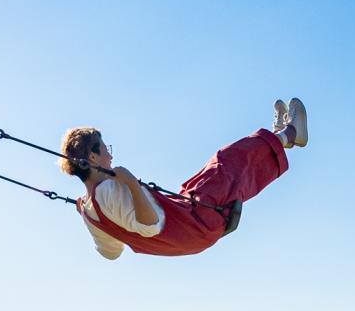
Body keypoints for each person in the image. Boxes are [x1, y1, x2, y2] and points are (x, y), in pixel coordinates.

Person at [62, 98, 308, 259]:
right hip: (195, 223)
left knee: (202, 182)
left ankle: (278, 137)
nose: (110, 156)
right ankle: (291, 133)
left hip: (187, 232)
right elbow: (149, 226)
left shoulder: (88, 209)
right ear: (92, 158)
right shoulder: (108, 190)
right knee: (226, 161)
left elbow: (111, 252)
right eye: (106, 150)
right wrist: (131, 184)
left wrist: (86, 216)